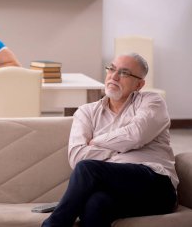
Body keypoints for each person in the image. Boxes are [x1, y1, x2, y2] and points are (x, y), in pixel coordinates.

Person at [41, 53, 178, 227]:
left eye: (124, 73)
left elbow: (136, 134)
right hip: (114, 189)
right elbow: (77, 156)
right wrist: (121, 147)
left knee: (87, 168)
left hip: (155, 186)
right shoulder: (87, 112)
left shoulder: (152, 102)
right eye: (112, 69)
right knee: (95, 204)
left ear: (139, 84)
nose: (114, 76)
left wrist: (96, 142)